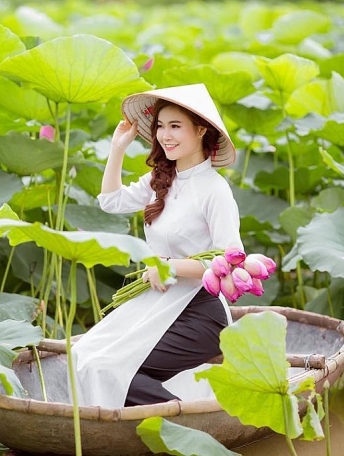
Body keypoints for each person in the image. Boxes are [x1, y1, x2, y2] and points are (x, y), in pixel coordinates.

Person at [71, 83, 243, 408]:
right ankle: (167, 423)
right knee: (85, 358)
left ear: (201, 130)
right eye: (161, 126)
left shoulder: (215, 191)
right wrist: (117, 148)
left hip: (200, 313)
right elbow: (110, 201)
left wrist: (169, 266)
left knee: (112, 369)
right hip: (158, 305)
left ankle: (187, 430)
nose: (165, 135)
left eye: (175, 126)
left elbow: (229, 262)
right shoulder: (160, 181)